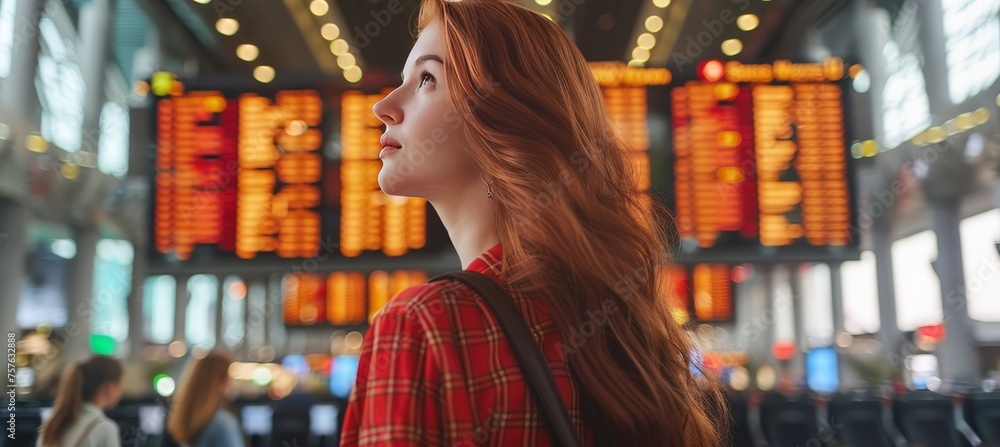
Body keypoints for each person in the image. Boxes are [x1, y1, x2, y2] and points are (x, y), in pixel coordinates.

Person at [341, 0, 727, 445]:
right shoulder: (619, 327)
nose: (384, 106)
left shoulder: (421, 325)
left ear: (504, 118)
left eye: (427, 78)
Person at [37, 356, 124, 447]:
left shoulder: (52, 426)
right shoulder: (105, 428)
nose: (121, 391)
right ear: (110, 386)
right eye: (119, 384)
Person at [166, 351, 243, 447]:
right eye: (228, 378)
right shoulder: (223, 422)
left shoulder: (188, 417)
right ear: (218, 381)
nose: (231, 383)